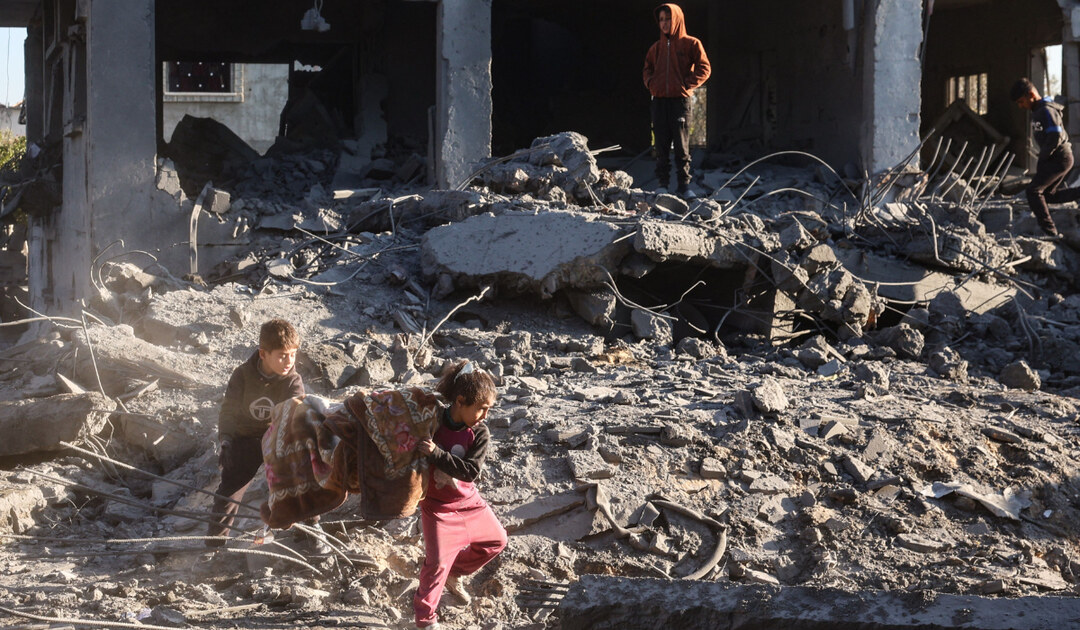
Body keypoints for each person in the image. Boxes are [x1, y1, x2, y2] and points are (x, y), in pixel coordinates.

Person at [413, 360, 507, 630]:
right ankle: (425, 620)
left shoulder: (479, 432)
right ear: (460, 400)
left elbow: (470, 472)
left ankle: (456, 573)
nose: (485, 415)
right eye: (481, 408)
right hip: (437, 508)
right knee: (435, 564)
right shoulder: (433, 420)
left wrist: (436, 454)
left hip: (469, 502)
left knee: (496, 540)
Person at [206, 318, 304, 546]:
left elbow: (293, 418)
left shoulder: (293, 382)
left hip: (278, 441)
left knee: (301, 480)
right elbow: (229, 410)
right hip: (245, 440)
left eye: (293, 354)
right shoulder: (242, 375)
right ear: (263, 354)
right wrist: (227, 440)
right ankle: (214, 545)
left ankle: (311, 531)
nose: (289, 361)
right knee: (228, 492)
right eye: (282, 355)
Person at [643, 3, 711, 199]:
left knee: (681, 146)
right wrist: (651, 83)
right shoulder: (655, 48)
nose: (664, 24)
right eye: (661, 20)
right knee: (661, 145)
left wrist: (687, 84)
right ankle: (662, 185)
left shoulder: (691, 44)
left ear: (677, 19)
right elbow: (647, 69)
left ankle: (684, 186)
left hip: (680, 102)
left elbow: (704, 68)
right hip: (659, 101)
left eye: (668, 19)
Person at [1010, 77, 1080, 238]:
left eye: (1021, 102)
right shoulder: (1039, 111)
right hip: (1059, 158)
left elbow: (1055, 134)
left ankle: (1050, 232)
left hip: (1059, 158)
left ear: (1031, 94)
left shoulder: (1046, 110)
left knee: (1033, 192)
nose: (1021, 106)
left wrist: (1044, 157)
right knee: (1048, 195)